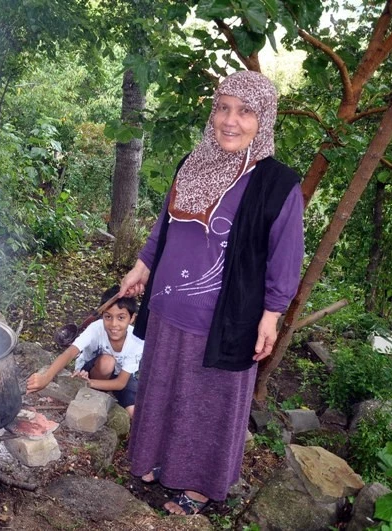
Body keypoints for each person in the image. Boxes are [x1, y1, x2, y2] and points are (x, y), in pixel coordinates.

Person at [118, 70, 305, 515]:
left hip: (224, 319)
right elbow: (165, 227)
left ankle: (199, 487)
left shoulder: (278, 183)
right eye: (223, 108)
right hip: (167, 305)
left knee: (207, 402)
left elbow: (286, 255)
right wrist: (142, 264)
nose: (230, 120)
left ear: (264, 120)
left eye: (244, 111)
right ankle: (156, 461)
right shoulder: (193, 162)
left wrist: (272, 313)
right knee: (163, 388)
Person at [26, 286, 144, 417]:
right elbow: (70, 352)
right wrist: (46, 377)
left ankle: (100, 392)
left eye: (121, 318)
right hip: (91, 371)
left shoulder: (137, 341)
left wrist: (89, 383)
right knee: (107, 362)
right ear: (102, 316)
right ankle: (97, 395)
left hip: (120, 377)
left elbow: (120, 383)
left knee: (135, 413)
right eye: (108, 317)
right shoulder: (96, 328)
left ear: (132, 318)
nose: (114, 324)